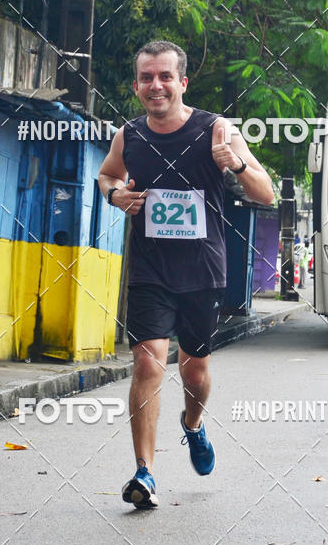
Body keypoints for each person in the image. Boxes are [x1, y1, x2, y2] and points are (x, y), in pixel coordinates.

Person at [98, 40, 274, 509]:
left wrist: (236, 164)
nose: (155, 85)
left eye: (165, 77)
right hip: (150, 271)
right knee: (148, 362)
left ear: (182, 82)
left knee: (194, 370)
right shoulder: (129, 135)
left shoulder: (216, 130)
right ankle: (145, 473)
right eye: (147, 78)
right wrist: (115, 196)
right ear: (136, 86)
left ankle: (193, 425)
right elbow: (107, 175)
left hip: (203, 272)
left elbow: (266, 193)